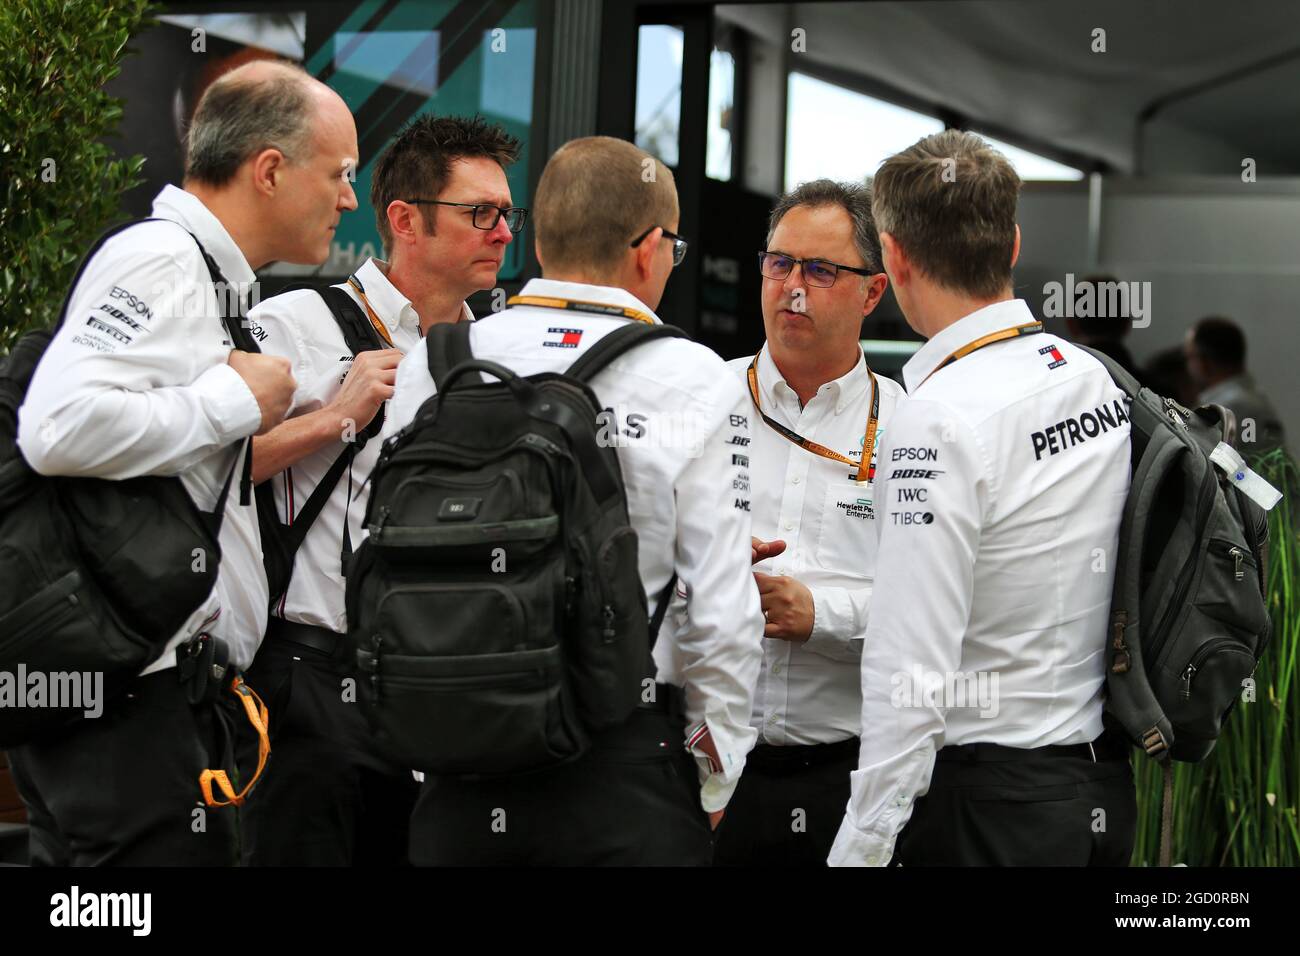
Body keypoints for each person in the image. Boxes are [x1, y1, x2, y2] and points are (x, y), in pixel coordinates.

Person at [10, 59, 357, 865]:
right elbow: (57, 427)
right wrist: (239, 404)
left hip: (140, 702)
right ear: (269, 170)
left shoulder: (198, 270)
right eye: (339, 174)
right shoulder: (164, 261)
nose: (348, 198)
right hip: (131, 712)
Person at [383, 135, 763, 865]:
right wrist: (713, 781)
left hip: (459, 775)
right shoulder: (696, 377)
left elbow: (373, 556)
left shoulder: (435, 364)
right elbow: (722, 614)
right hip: (620, 769)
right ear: (649, 248)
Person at [829, 130, 1136, 867]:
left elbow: (911, 664)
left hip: (988, 809)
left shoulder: (936, 417)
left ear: (894, 257)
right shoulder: (1090, 377)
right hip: (1096, 792)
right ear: (1015, 243)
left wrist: (862, 845)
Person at [237, 114, 523, 866]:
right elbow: (212, 469)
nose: (503, 233)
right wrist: (335, 417)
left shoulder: (498, 354)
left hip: (443, 694)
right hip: (309, 682)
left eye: (507, 214)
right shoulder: (294, 323)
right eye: (481, 213)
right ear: (405, 221)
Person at [711, 180, 903, 866]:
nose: (792, 287)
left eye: (821, 271)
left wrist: (820, 612)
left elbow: (941, 609)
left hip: (844, 782)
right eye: (779, 263)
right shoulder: (702, 401)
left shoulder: (914, 428)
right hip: (702, 774)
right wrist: (703, 579)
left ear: (872, 292)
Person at [1185, 316, 1286, 455]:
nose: (1188, 367)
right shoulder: (1257, 400)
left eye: (1189, 357)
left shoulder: (1218, 411)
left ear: (1204, 362)